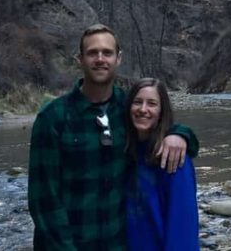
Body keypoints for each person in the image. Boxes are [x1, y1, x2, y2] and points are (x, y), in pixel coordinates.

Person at [28, 24, 198, 250]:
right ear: (80, 59)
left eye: (107, 52)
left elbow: (159, 127)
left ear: (118, 58)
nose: (100, 59)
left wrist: (181, 135)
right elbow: (44, 201)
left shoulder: (127, 109)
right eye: (92, 53)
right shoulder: (53, 118)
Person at [125, 78, 200, 251]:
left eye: (152, 103)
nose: (143, 109)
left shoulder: (175, 158)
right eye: (137, 102)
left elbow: (183, 228)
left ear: (161, 111)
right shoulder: (126, 152)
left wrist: (180, 134)